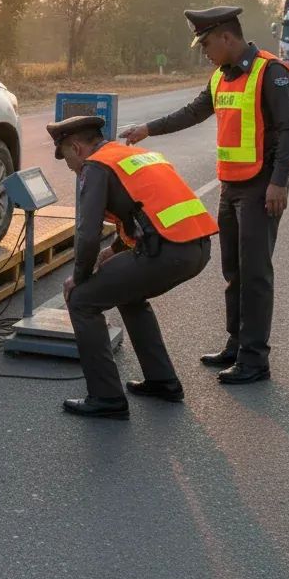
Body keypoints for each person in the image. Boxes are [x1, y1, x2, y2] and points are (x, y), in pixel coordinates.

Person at [121, 6, 289, 384]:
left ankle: (255, 360)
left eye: (205, 43)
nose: (203, 50)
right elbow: (193, 112)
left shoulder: (270, 72)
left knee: (255, 274)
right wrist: (148, 128)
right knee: (233, 271)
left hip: (260, 187)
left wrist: (279, 181)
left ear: (226, 37)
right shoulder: (221, 76)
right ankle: (236, 344)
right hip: (230, 187)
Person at [49, 115, 218, 419]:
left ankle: (106, 398)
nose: (71, 167)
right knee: (128, 294)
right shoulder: (133, 155)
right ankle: (162, 381)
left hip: (168, 251)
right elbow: (145, 215)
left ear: (76, 147)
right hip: (197, 248)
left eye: (68, 159)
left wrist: (80, 277)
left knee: (82, 300)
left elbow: (86, 235)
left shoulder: (95, 166)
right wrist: (113, 251)